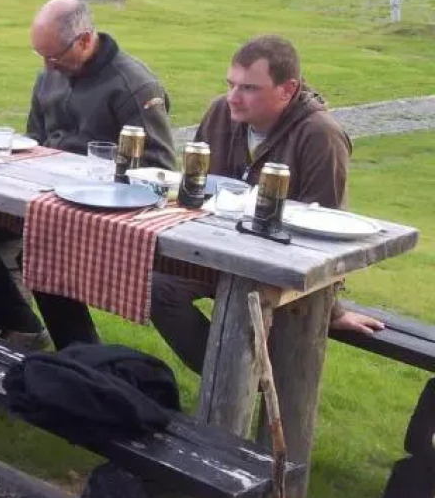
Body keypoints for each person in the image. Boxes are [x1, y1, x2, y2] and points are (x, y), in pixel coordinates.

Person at [0, 0, 176, 349]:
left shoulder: (134, 86)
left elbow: (162, 169)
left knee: (46, 246)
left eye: (54, 56)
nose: (48, 66)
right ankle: (19, 327)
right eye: (41, 56)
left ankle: (81, 355)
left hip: (96, 209)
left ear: (84, 40)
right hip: (37, 196)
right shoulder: (51, 75)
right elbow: (34, 139)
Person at [150, 35, 383, 372]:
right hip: (216, 251)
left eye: (249, 88)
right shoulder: (220, 111)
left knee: (246, 302)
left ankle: (238, 380)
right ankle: (230, 374)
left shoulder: (320, 134)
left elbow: (329, 230)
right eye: (230, 84)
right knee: (149, 281)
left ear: (287, 90)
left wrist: (333, 312)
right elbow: (194, 189)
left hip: (278, 267)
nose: (233, 98)